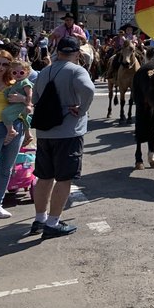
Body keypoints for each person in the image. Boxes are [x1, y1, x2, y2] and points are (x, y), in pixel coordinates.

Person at [30, 36, 96, 238]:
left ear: (58, 52)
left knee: (44, 177)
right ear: (77, 53)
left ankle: (39, 219)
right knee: (64, 179)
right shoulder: (77, 70)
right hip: (68, 132)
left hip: (44, 133)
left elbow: (35, 99)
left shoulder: (44, 72)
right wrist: (82, 109)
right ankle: (53, 223)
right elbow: (89, 89)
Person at [0, 50, 27, 218]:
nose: (1, 67)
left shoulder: (15, 83)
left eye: (5, 64)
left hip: (16, 127)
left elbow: (30, 105)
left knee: (6, 169)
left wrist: (24, 100)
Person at [1, 60, 34, 142]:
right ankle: (28, 134)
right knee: (25, 118)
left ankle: (10, 130)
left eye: (21, 72)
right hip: (17, 104)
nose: (18, 74)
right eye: (14, 73)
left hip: (21, 105)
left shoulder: (25, 82)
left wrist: (28, 105)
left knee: (5, 114)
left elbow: (30, 94)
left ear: (27, 72)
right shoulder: (16, 83)